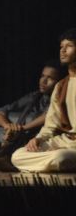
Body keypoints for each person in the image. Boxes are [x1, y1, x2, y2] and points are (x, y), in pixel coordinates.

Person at [11, 29, 76, 172]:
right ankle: (50, 164)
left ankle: (42, 165)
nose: (63, 51)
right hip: (65, 142)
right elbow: (51, 124)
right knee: (17, 155)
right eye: (61, 47)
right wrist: (38, 139)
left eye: (69, 46)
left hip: (69, 149)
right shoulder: (60, 86)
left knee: (61, 157)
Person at [0, 61, 60, 172]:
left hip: (42, 143)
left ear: (60, 82)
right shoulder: (34, 96)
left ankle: (10, 164)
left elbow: (48, 116)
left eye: (50, 78)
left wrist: (21, 128)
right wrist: (7, 126)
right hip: (17, 140)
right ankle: (4, 160)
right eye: (42, 76)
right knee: (6, 124)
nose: (43, 81)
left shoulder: (60, 100)